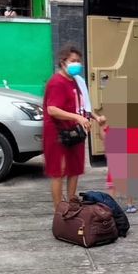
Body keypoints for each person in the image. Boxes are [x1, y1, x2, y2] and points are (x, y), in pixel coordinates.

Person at [43, 45, 101, 210]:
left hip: (76, 133)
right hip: (58, 133)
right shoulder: (56, 82)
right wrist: (77, 117)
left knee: (74, 169)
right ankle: (59, 211)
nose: (77, 64)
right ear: (63, 62)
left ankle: (72, 204)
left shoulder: (76, 81)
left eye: (78, 61)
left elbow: (83, 106)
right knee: (58, 172)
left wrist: (95, 117)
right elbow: (52, 109)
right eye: (73, 61)